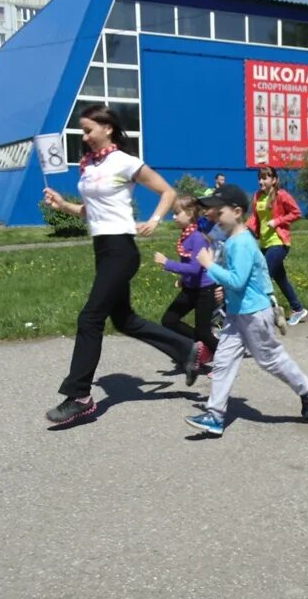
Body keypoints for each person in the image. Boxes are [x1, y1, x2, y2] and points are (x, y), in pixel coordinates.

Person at [43, 104, 200, 425]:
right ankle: (187, 350)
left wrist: (155, 219)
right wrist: (62, 205)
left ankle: (80, 396)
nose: (84, 137)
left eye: (88, 130)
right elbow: (91, 212)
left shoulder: (125, 162)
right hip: (103, 248)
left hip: (121, 249)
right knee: (125, 320)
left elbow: (167, 191)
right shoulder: (88, 166)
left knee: (90, 318)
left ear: (107, 128)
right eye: (83, 131)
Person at [186, 184, 308, 437]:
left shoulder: (242, 243)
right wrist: (223, 287)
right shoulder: (230, 239)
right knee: (224, 360)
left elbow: (237, 280)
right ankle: (215, 416)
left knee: (269, 360)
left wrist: (210, 267)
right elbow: (242, 280)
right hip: (238, 312)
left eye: (218, 209)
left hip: (255, 313)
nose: (213, 214)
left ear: (237, 212)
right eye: (212, 210)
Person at [154, 195, 219, 370]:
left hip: (204, 290)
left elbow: (195, 268)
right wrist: (183, 279)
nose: (174, 217)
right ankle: (199, 346)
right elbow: (188, 264)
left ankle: (225, 360)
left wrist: (167, 263)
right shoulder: (186, 235)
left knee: (204, 332)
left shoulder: (197, 237)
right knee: (169, 320)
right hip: (191, 288)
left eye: (177, 213)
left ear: (190, 213)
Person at [248, 166, 308, 326]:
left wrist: (278, 221)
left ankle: (268, 312)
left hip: (279, 242)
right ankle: (298, 309)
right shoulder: (257, 196)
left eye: (265, 178)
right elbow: (255, 217)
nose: (261, 181)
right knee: (281, 279)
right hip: (265, 242)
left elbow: (296, 213)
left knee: (261, 275)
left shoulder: (281, 195)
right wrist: (247, 231)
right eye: (259, 178)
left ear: (273, 180)